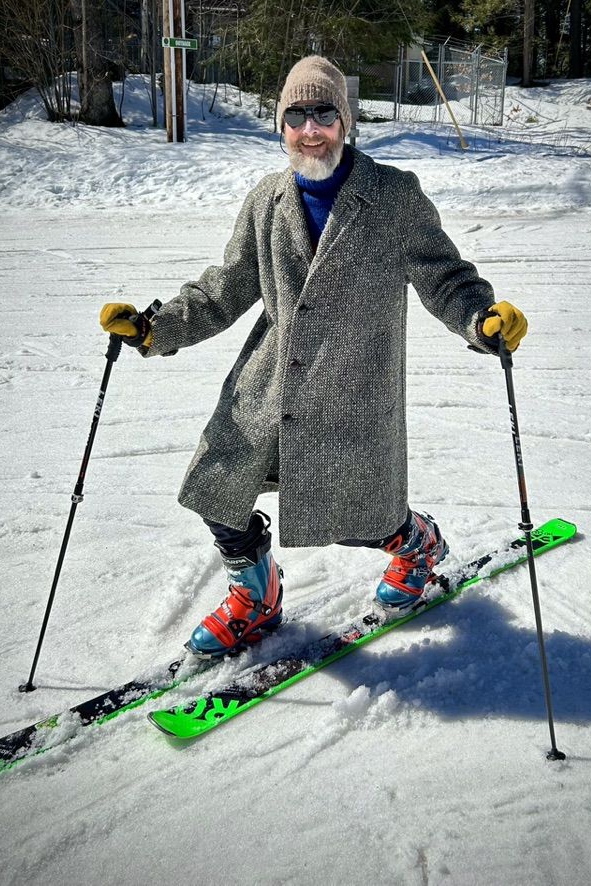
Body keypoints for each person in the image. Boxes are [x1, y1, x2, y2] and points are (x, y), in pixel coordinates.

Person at [100, 56, 527, 659]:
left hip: (355, 386)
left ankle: (416, 544)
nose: (310, 129)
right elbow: (225, 286)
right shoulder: (267, 200)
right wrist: (154, 328)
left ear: (344, 122)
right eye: (296, 116)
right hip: (268, 385)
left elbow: (445, 275)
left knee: (361, 518)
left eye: (323, 113)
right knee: (215, 487)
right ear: (282, 127)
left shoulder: (392, 195)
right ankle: (256, 596)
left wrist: (480, 320)